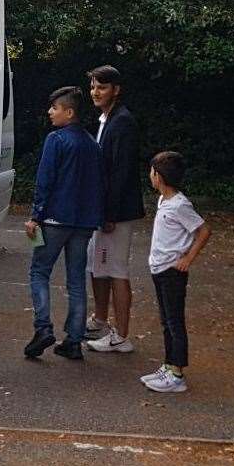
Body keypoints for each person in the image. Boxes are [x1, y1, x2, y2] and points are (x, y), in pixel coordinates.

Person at [23, 86, 104, 361]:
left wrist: (36, 215)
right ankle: (74, 339)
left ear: (69, 112)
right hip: (83, 223)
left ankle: (43, 327)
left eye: (55, 108)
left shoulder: (56, 140)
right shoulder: (93, 144)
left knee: (39, 272)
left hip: (55, 218)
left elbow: (45, 180)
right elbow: (98, 185)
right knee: (76, 279)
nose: (50, 112)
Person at [83, 65, 146, 355]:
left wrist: (109, 214)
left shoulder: (123, 122)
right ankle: (100, 320)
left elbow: (121, 173)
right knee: (98, 267)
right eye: (94, 86)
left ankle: (121, 336)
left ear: (116, 89)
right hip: (103, 209)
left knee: (116, 270)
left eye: (102, 87)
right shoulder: (106, 118)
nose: (96, 92)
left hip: (116, 213)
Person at [140, 151, 211, 393]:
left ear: (158, 177)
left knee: (174, 321)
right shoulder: (164, 201)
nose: (150, 176)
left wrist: (187, 258)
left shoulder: (180, 205)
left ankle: (177, 373)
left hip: (172, 271)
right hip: (159, 269)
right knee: (165, 320)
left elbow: (203, 231)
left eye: (152, 172)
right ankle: (169, 365)